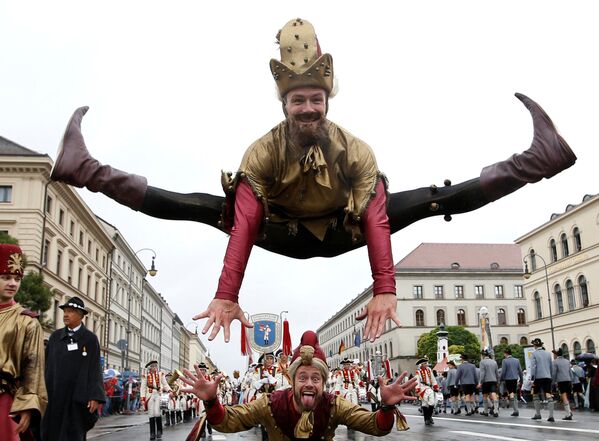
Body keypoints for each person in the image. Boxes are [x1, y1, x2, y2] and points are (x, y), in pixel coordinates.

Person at [49, 18, 577, 345]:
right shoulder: (263, 151)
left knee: (433, 198)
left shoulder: (355, 150)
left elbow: (374, 215)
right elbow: (247, 219)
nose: (307, 108)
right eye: (297, 101)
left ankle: (537, 160)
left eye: (314, 100)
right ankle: (86, 170)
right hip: (281, 233)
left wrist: (386, 288)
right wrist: (226, 294)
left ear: (327, 101)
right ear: (285, 105)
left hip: (345, 230)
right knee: (200, 205)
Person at [182, 330, 416, 440]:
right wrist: (212, 401)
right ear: (292, 381)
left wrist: (385, 407)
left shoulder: (334, 405)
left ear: (324, 382)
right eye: (302, 378)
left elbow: (376, 426)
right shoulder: (269, 403)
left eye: (316, 379)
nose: (309, 384)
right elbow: (227, 422)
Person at [0, 244, 47, 441]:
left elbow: (33, 368)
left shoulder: (27, 321)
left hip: (5, 401)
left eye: (17, 279)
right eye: (5, 278)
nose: (13, 283)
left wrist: (28, 407)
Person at [42, 296, 105, 441]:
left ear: (80, 315)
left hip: (77, 398)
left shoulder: (90, 339)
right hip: (54, 397)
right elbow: (46, 366)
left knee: (73, 433)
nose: (65, 314)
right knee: (51, 433)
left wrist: (95, 396)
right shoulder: (55, 337)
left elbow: (95, 369)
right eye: (65, 311)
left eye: (70, 311)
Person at [140, 360, 171, 440]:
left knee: (157, 413)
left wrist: (169, 391)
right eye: (153, 366)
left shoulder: (161, 374)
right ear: (150, 367)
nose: (155, 368)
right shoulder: (145, 375)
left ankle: (159, 431)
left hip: (158, 394)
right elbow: (142, 388)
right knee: (151, 414)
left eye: (156, 366)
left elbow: (165, 384)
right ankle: (152, 433)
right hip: (149, 395)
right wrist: (142, 398)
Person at [529, 338, 555, 422]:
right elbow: (551, 367)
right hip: (547, 376)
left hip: (538, 377)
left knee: (535, 395)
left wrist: (532, 379)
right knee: (549, 395)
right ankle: (551, 416)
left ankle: (538, 414)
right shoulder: (548, 354)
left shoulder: (534, 354)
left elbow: (533, 367)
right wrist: (550, 376)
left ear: (535, 345)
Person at [414, 357, 439, 426]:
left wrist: (435, 386)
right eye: (425, 363)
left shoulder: (429, 370)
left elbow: (433, 378)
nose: (426, 364)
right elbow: (417, 381)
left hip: (429, 388)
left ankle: (429, 417)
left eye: (426, 363)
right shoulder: (418, 372)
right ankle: (426, 419)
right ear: (421, 365)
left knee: (432, 403)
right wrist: (417, 389)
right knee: (424, 404)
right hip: (422, 389)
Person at [500, 347, 523, 416]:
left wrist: (501, 379)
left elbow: (503, 372)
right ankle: (516, 409)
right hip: (515, 379)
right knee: (514, 393)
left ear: (505, 353)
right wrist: (521, 380)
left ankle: (515, 410)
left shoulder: (504, 361)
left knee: (511, 394)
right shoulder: (517, 360)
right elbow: (520, 371)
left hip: (508, 379)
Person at [552, 349, 573, 420]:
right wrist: (571, 380)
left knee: (564, 396)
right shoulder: (567, 361)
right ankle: (569, 411)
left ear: (557, 354)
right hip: (568, 380)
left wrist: (553, 382)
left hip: (561, 381)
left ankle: (568, 414)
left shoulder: (555, 362)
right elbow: (570, 371)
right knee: (566, 396)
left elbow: (554, 373)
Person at [478, 349, 500, 417]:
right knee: (494, 394)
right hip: (493, 380)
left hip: (485, 381)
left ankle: (486, 411)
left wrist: (480, 382)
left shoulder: (482, 362)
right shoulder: (494, 362)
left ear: (483, 355)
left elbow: (482, 373)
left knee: (485, 395)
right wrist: (498, 381)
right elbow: (497, 373)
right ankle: (496, 411)